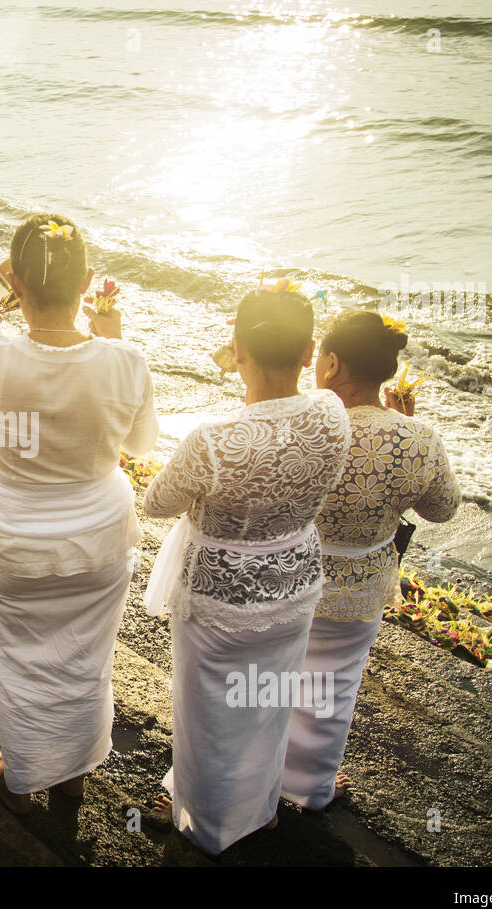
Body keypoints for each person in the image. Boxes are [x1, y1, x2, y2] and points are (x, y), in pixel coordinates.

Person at [0, 213, 158, 815]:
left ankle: (25, 771)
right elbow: (140, 447)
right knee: (86, 661)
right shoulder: (125, 359)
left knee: (22, 663)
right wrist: (111, 338)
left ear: (19, 290)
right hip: (100, 537)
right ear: (87, 287)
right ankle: (73, 774)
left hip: (15, 538)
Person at [142, 283, 350, 855]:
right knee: (266, 708)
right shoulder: (332, 414)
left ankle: (208, 828)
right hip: (294, 589)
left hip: (220, 603)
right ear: (310, 354)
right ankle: (261, 811)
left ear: (235, 350)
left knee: (210, 720)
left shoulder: (213, 441)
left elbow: (156, 501)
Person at [281, 311, 461, 809]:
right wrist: (402, 422)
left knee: (262, 683)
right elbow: (442, 509)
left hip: (288, 575)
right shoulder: (417, 437)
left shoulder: (300, 422)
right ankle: (309, 787)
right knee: (332, 687)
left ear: (333, 363)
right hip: (360, 585)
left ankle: (250, 777)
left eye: (321, 356)